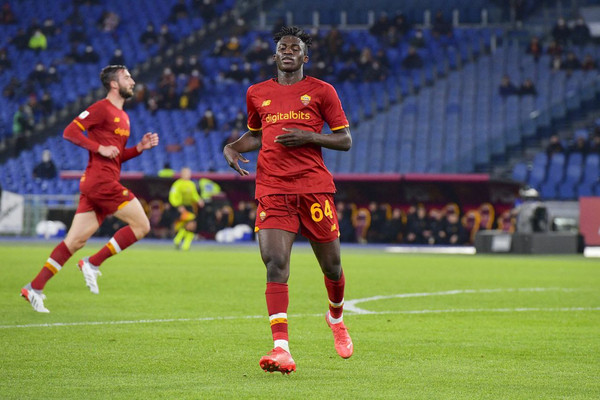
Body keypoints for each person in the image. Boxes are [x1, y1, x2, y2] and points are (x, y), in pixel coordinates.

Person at [223, 26, 353, 374]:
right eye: (283, 47)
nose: (288, 51)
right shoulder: (256, 93)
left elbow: (344, 140)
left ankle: (336, 317)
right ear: (275, 54)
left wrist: (309, 137)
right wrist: (232, 147)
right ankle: (281, 348)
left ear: (305, 57)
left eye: (295, 48)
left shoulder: (322, 91)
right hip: (272, 188)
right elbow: (257, 134)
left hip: (313, 188)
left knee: (332, 267)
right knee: (275, 263)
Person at [20, 65, 159, 313]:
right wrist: (98, 148)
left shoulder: (124, 117)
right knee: (142, 225)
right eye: (127, 77)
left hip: (98, 182)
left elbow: (116, 156)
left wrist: (139, 148)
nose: (132, 81)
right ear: (114, 84)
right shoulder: (101, 108)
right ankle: (92, 263)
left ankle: (34, 287)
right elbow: (70, 131)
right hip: (101, 182)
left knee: (74, 241)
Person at [169, 167, 204, 250]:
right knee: (189, 224)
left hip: (189, 206)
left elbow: (194, 195)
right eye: (186, 173)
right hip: (180, 207)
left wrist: (198, 200)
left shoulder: (191, 184)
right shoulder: (177, 184)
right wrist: (178, 206)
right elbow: (172, 196)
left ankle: (184, 243)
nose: (187, 175)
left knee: (192, 225)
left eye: (189, 173)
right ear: (182, 174)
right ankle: (179, 240)